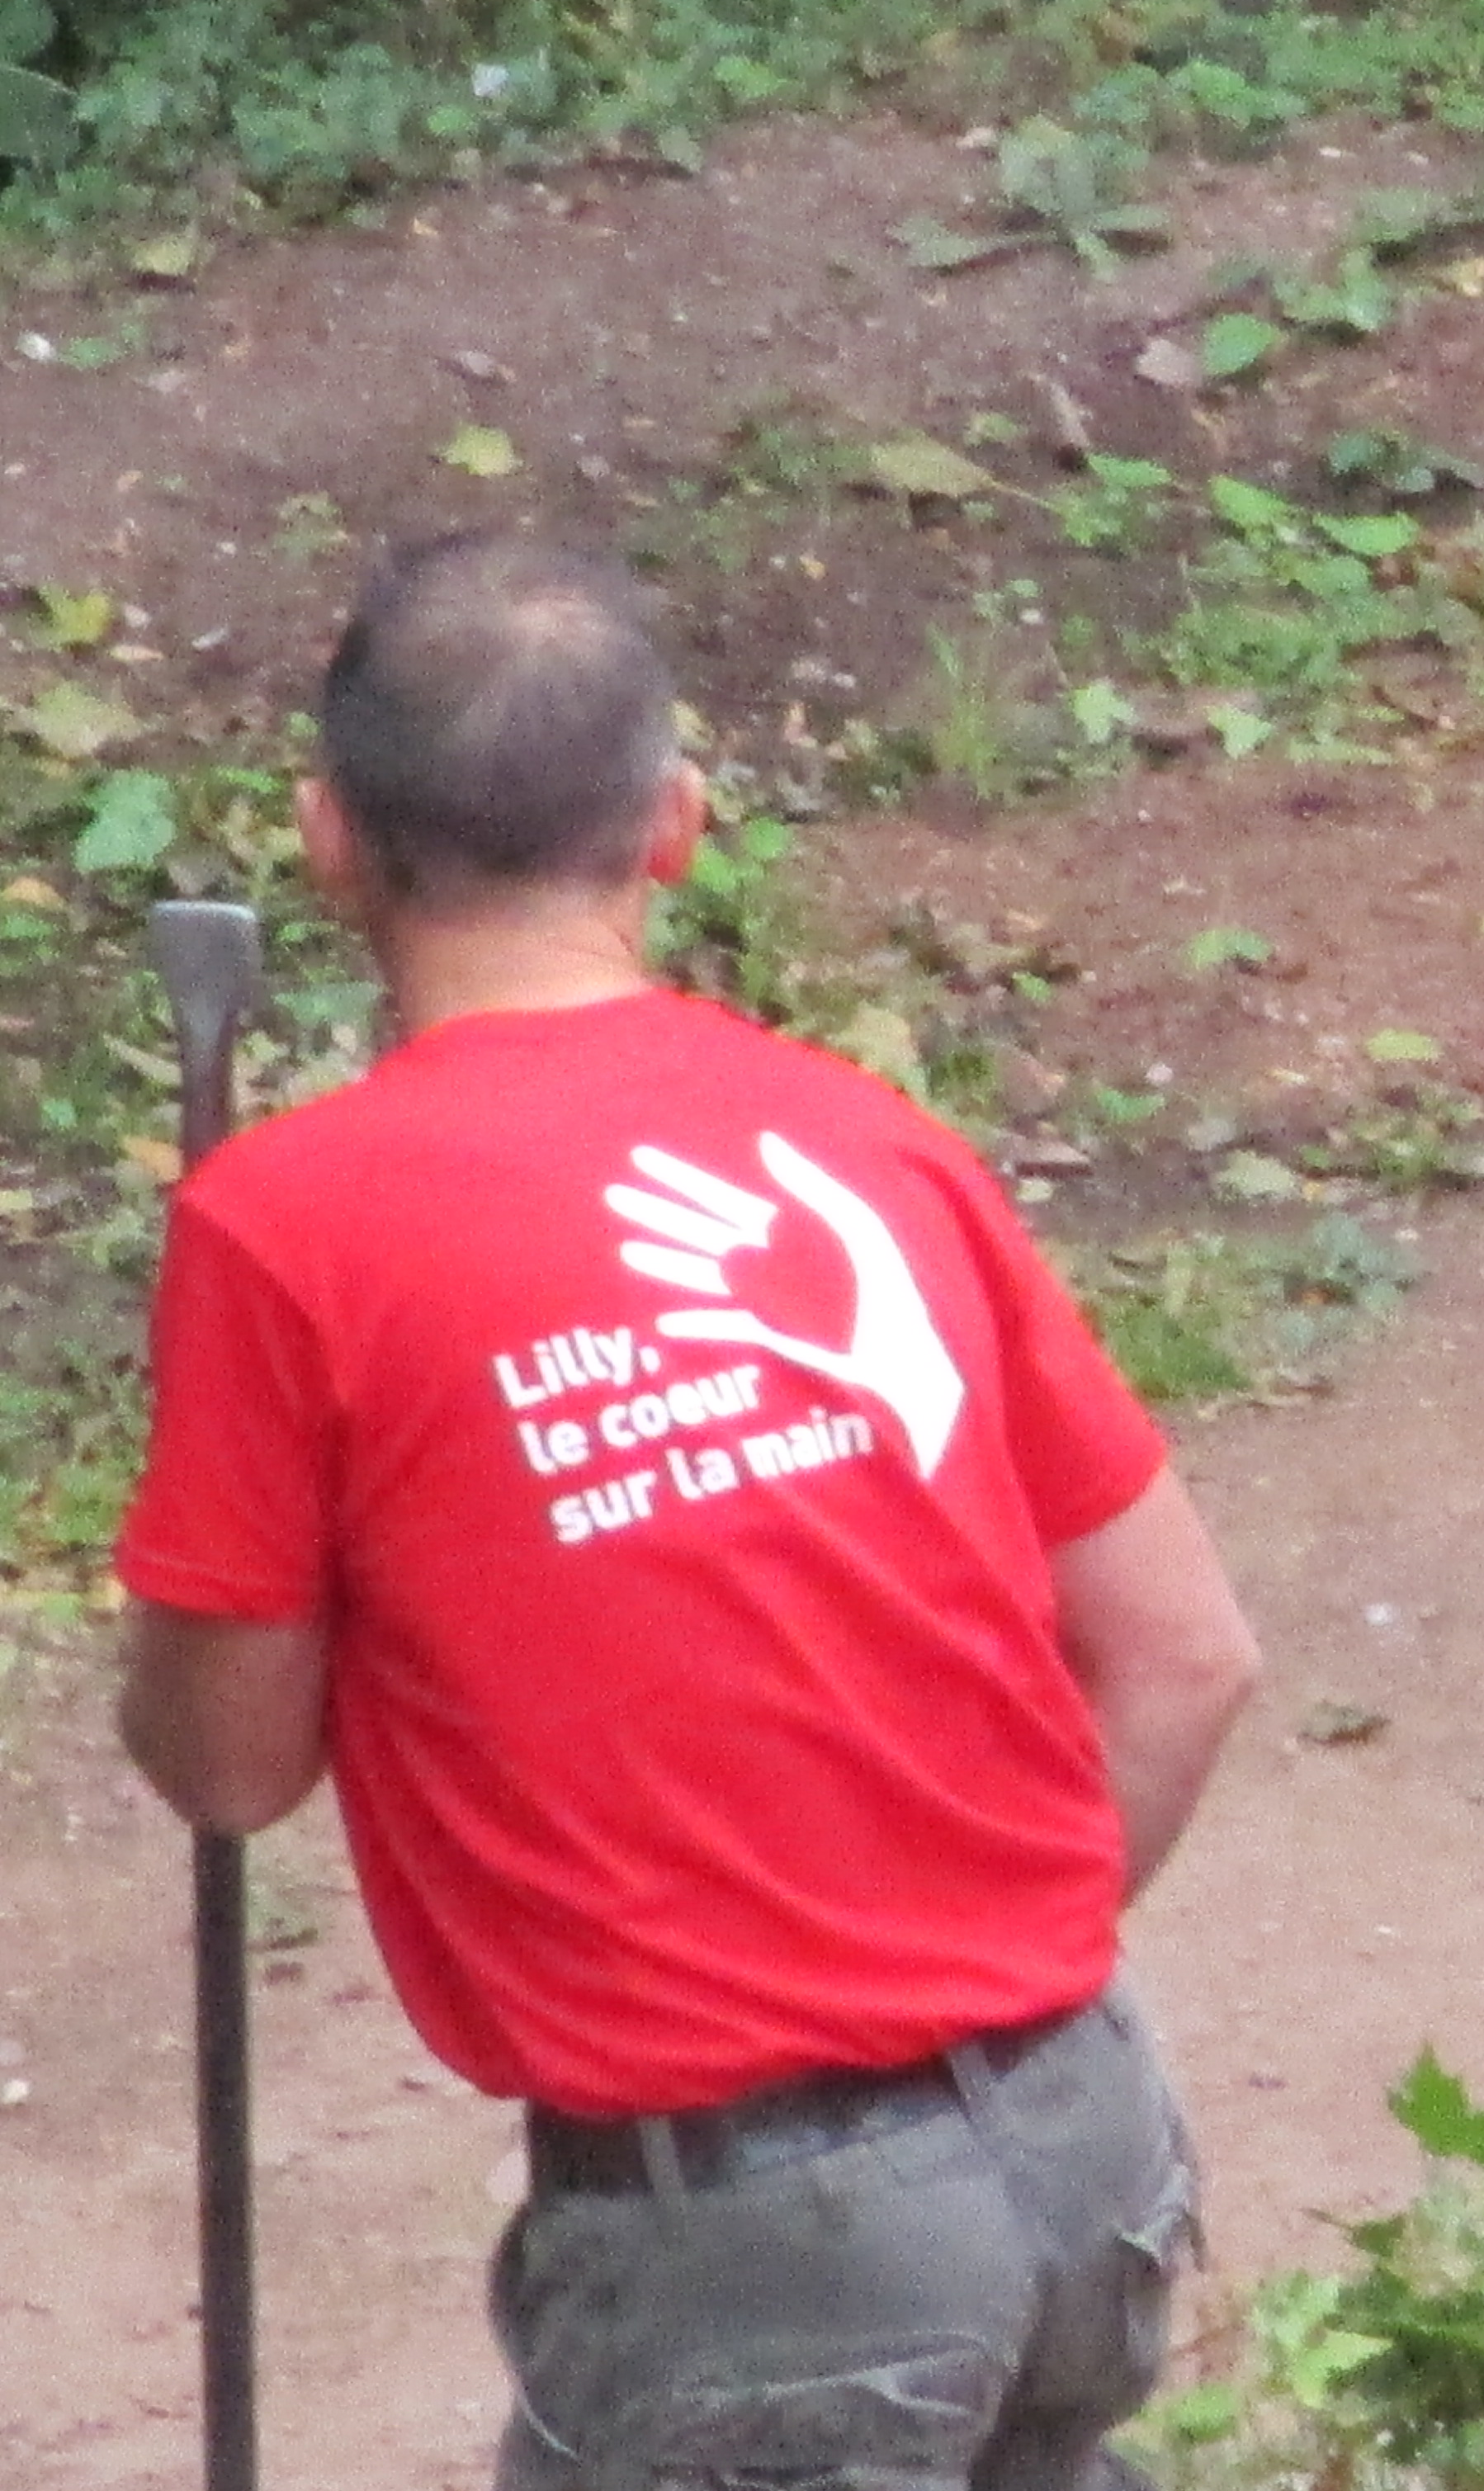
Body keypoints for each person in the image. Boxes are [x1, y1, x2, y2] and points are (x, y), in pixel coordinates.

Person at [114, 535, 1262, 2491]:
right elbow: (1187, 1657)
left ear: (328, 840)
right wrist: (969, 2021)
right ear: (677, 824)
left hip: (754, 2255)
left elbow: (228, 1763)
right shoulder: (864, 1139)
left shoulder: (290, 1229)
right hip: (1085, 2138)